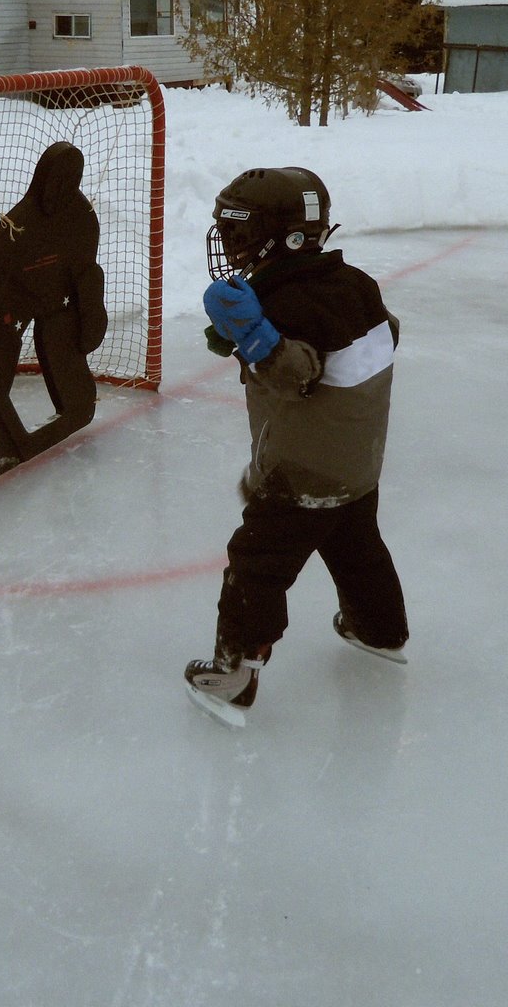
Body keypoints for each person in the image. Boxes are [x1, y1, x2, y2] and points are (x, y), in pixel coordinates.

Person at [186, 166, 408, 724]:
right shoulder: (354, 282)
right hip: (358, 463)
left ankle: (234, 674)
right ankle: (379, 630)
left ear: (283, 237)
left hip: (304, 474)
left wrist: (259, 337)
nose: (229, 244)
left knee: (254, 564)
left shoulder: (287, 302)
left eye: (239, 232)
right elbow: (387, 332)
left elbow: (296, 378)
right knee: (356, 545)